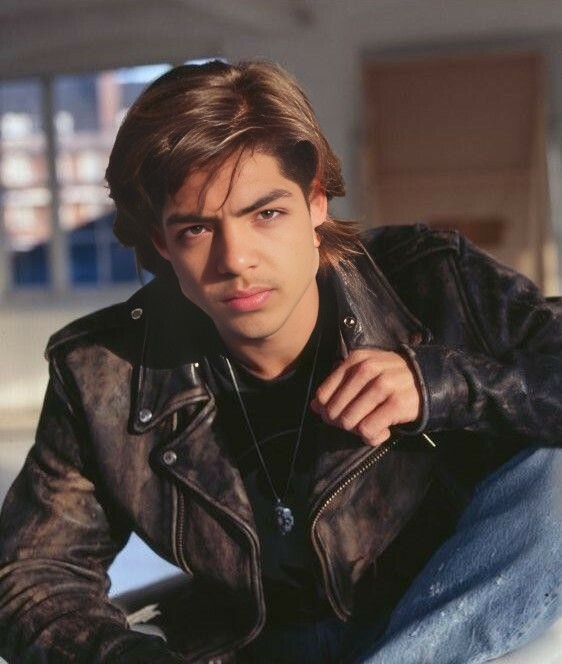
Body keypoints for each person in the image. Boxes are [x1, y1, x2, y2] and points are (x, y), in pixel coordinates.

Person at [0, 60, 560, 664]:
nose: (236, 259)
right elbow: (33, 577)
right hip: (255, 645)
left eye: (265, 214)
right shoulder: (103, 373)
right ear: (162, 242)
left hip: (441, 608)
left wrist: (442, 385)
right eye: (196, 229)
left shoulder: (430, 280)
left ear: (315, 203)